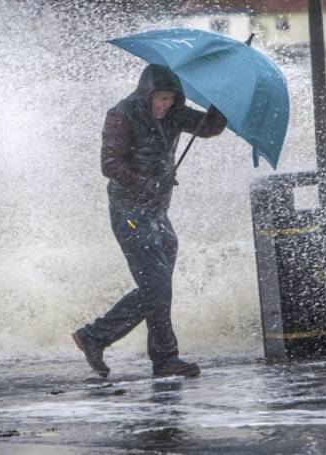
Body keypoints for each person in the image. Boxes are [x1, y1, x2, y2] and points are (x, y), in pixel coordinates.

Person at [72, 64, 227, 378]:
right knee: (157, 286)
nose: (164, 105)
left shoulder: (174, 114)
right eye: (160, 99)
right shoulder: (122, 114)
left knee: (158, 287)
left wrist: (219, 106)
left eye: (170, 99)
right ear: (146, 94)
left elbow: (208, 127)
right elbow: (109, 164)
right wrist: (144, 183)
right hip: (129, 214)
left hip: (157, 213)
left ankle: (96, 336)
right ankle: (163, 358)